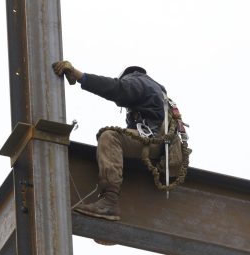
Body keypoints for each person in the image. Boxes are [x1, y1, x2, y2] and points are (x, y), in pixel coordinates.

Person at [52, 61, 173, 221]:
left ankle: (108, 202)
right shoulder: (156, 92)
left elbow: (117, 89)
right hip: (159, 145)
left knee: (110, 137)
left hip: (153, 142)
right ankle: (108, 209)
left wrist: (80, 76)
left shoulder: (139, 80)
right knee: (119, 141)